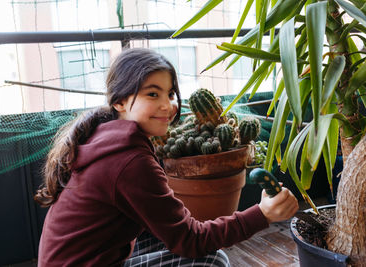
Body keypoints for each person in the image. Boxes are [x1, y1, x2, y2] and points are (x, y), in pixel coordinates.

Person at [35, 48, 299, 266]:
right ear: (120, 102)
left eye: (170, 93)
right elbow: (191, 240)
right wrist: (262, 214)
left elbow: (176, 232)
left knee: (160, 235)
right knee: (212, 261)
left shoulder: (106, 136)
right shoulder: (129, 161)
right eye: (153, 94)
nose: (168, 105)